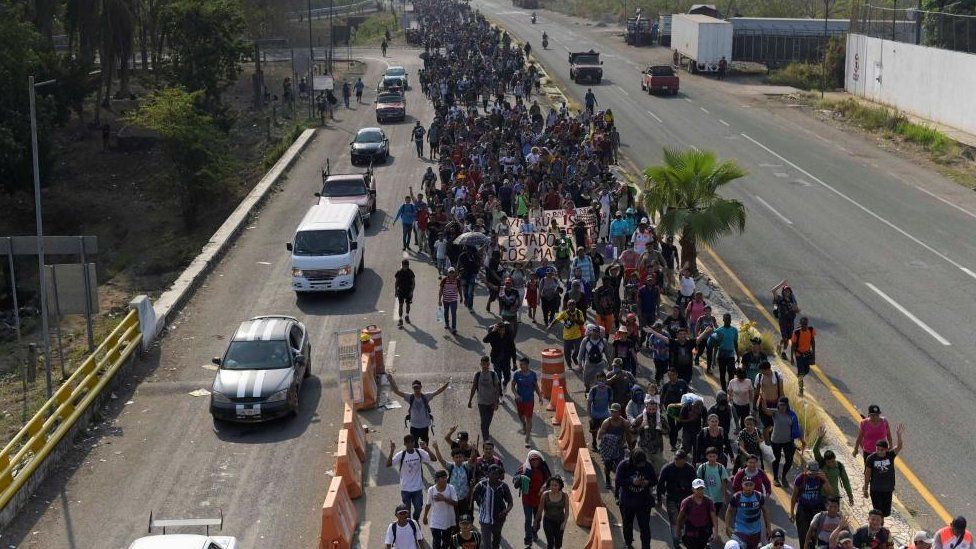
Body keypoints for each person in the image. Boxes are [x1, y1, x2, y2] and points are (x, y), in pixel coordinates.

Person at [388, 375, 449, 444]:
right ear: (413, 388)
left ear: (421, 387)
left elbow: (438, 391)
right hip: (414, 427)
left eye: (418, 388)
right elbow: (397, 391)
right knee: (414, 447)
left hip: (424, 427)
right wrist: (391, 380)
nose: (417, 390)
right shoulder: (410, 397)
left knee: (425, 446)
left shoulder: (426, 397)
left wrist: (447, 384)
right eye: (415, 388)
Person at [615, 448, 657, 549]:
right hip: (627, 502)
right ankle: (628, 543)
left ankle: (646, 546)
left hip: (643, 503)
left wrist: (647, 482)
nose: (640, 466)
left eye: (642, 464)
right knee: (627, 525)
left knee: (645, 527)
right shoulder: (624, 465)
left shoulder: (648, 465)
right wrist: (632, 482)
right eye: (638, 464)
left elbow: (655, 480)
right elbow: (618, 480)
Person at [387, 435, 433, 520]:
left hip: (418, 488)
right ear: (405, 444)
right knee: (407, 511)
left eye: (412, 442)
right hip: (405, 489)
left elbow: (434, 459)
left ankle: (415, 520)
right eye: (408, 442)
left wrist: (426, 448)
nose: (411, 444)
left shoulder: (419, 452)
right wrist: (392, 450)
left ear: (414, 442)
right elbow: (388, 464)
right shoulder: (401, 455)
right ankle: (410, 524)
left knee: (418, 508)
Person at [863, 423, 905, 517]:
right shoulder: (871, 458)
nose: (879, 451)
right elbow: (867, 474)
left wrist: (899, 435)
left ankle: (880, 525)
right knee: (878, 513)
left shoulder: (890, 455)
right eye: (877, 449)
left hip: (888, 489)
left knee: (885, 513)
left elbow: (899, 447)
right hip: (876, 489)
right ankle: (879, 528)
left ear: (886, 450)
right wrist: (865, 488)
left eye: (882, 450)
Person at [658, 451, 697, 547]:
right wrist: (659, 498)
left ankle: (684, 538)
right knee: (674, 522)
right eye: (676, 459)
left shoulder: (690, 469)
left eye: (680, 460)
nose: (678, 461)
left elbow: (695, 485)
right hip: (672, 499)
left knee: (686, 521)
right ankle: (676, 542)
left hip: (686, 500)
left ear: (684, 460)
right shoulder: (667, 468)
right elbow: (660, 483)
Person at [514, 450, 552, 547]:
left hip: (539, 499)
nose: (534, 462)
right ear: (529, 461)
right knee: (528, 519)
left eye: (536, 460)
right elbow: (515, 479)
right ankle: (528, 539)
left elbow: (549, 480)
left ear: (540, 460)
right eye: (532, 460)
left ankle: (534, 532)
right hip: (527, 499)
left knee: (537, 518)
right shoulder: (524, 468)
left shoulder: (543, 469)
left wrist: (544, 486)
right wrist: (520, 478)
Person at [471, 464, 513, 549]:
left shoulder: (503, 486)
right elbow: (473, 496)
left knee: (496, 542)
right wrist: (479, 501)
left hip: (499, 520)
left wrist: (505, 511)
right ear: (488, 473)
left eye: (497, 473)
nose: (494, 475)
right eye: (492, 473)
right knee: (487, 545)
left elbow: (510, 503)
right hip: (484, 520)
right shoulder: (482, 485)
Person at [791, 460, 832, 546]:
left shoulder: (820, 478)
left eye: (815, 473)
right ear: (806, 470)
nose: (813, 475)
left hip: (817, 509)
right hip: (803, 510)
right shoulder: (800, 479)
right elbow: (794, 497)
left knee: (817, 535)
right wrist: (792, 513)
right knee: (803, 536)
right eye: (811, 473)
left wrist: (826, 480)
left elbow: (829, 492)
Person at [431, 442, 475, 518]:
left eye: (460, 457)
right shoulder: (451, 466)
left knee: (465, 519)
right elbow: (441, 460)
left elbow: (472, 459)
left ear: (463, 457)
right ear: (453, 458)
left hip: (464, 499)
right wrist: (436, 448)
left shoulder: (466, 466)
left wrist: (473, 450)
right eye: (456, 457)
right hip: (452, 500)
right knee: (453, 519)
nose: (458, 459)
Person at [813, 425, 855, 506]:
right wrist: (820, 438)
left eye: (833, 461)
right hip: (822, 495)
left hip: (834, 496)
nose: (831, 464)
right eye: (829, 462)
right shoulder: (821, 462)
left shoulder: (839, 466)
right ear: (825, 461)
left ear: (835, 458)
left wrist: (850, 495)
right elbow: (815, 450)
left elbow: (845, 481)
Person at [768, 396, 804, 487]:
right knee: (777, 459)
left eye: (784, 405)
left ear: (787, 405)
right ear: (778, 405)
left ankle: (783, 477)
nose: (782, 407)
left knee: (789, 460)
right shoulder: (774, 412)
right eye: (780, 405)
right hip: (775, 441)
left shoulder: (792, 415)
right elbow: (764, 409)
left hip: (788, 441)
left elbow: (796, 429)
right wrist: (762, 398)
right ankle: (775, 478)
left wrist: (802, 441)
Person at [726, 477, 770, 549]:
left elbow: (765, 512)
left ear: (754, 485)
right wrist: (727, 526)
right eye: (746, 484)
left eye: (751, 484)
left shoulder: (759, 496)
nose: (749, 487)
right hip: (740, 531)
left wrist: (768, 528)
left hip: (755, 532)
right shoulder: (736, 497)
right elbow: (729, 511)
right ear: (742, 485)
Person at [677, 478, 719, 549]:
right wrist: (678, 530)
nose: (700, 491)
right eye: (698, 489)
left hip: (703, 531)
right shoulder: (686, 502)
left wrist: (715, 532)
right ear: (693, 489)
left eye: (702, 488)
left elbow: (713, 517)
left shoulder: (708, 501)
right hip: (690, 531)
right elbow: (680, 517)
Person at [512, 357, 545, 447]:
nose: (521, 366)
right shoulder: (517, 374)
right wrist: (516, 395)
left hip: (529, 401)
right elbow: (512, 386)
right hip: (519, 401)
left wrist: (540, 397)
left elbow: (536, 386)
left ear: (527, 365)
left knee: (529, 419)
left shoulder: (533, 375)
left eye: (522, 365)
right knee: (521, 416)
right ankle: (523, 424)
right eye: (520, 365)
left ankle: (527, 439)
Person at [597, 403, 632, 489]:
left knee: (620, 466)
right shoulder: (606, 423)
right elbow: (599, 436)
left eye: (616, 412)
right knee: (607, 465)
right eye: (612, 412)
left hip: (620, 447)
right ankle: (608, 479)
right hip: (608, 448)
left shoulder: (624, 423)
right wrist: (611, 438)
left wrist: (631, 447)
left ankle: (619, 484)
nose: (614, 413)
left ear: (620, 412)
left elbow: (628, 435)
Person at [467, 356, 502, 440]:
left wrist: (496, 402)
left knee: (488, 421)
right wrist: (470, 400)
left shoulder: (493, 374)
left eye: (486, 364)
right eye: (482, 364)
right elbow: (474, 387)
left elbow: (497, 389)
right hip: (481, 402)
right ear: (481, 364)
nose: (484, 366)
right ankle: (486, 439)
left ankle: (486, 431)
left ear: (488, 364)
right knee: (484, 422)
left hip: (491, 402)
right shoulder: (478, 375)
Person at [423, 469, 458, 549]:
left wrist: (444, 499)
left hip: (448, 520)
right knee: (436, 542)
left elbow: (456, 503)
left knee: (446, 542)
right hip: (435, 521)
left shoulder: (451, 488)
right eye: (442, 477)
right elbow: (428, 504)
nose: (445, 479)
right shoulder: (431, 490)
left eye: (445, 477)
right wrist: (425, 516)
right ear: (436, 479)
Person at [535, 476, 569, 549]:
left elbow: (567, 511)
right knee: (550, 543)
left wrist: (564, 522)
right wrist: (536, 521)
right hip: (548, 521)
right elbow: (540, 510)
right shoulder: (545, 495)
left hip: (560, 522)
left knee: (558, 544)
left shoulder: (565, 495)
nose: (553, 487)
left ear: (560, 486)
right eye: (551, 485)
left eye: (555, 485)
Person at [660, 367, 690, 452]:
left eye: (673, 375)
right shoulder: (666, 386)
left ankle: (675, 434)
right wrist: (661, 406)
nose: (671, 377)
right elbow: (662, 397)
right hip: (670, 410)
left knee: (678, 426)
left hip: (681, 409)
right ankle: (673, 444)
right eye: (669, 375)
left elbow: (686, 394)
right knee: (672, 427)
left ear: (677, 374)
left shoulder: (682, 383)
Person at [695, 447, 730, 515]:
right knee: (705, 515)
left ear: (717, 456)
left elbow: (724, 482)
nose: (712, 458)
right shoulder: (702, 467)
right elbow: (698, 482)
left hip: (718, 498)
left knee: (714, 515)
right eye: (710, 456)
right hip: (705, 497)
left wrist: (724, 496)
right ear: (706, 456)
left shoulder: (721, 467)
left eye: (714, 456)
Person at [577, 324, 610, 392]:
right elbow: (580, 353)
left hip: (599, 365)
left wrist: (610, 364)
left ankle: (595, 394)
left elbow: (607, 354)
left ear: (599, 333)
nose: (595, 333)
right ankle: (587, 389)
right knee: (586, 380)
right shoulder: (585, 340)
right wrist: (580, 364)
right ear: (591, 332)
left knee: (598, 382)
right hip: (588, 365)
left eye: (597, 332)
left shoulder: (603, 341)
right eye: (594, 331)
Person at [483, 322, 516, 388]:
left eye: (503, 330)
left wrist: (514, 362)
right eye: (500, 330)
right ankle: (499, 391)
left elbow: (513, 349)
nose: (502, 332)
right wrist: (492, 331)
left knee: (507, 377)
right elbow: (485, 340)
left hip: (506, 360)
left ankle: (504, 383)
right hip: (496, 359)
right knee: (498, 377)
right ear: (497, 330)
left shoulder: (508, 336)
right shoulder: (493, 335)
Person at [771, 280, 798, 360]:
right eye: (785, 291)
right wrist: (781, 284)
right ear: (783, 292)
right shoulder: (780, 299)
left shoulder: (792, 301)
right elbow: (773, 291)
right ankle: (784, 352)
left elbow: (796, 310)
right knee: (785, 337)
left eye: (788, 291)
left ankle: (780, 345)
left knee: (788, 338)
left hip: (790, 321)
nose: (787, 292)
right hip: (783, 322)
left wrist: (795, 308)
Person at [790, 316, 816, 395]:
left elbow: (813, 341)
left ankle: (799, 377)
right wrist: (792, 358)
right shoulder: (796, 333)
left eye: (805, 324)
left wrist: (813, 353)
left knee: (807, 370)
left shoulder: (811, 330)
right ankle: (801, 389)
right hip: (799, 355)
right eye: (803, 324)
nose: (804, 326)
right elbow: (793, 346)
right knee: (801, 373)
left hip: (807, 354)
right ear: (800, 324)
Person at [713, 313, 740, 388]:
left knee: (731, 373)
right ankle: (724, 389)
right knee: (722, 373)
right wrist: (714, 358)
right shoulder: (718, 331)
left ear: (731, 320)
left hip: (731, 354)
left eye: (729, 319)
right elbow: (715, 345)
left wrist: (738, 355)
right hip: (721, 354)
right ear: (723, 320)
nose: (728, 320)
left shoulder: (734, 330)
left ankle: (729, 388)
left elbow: (735, 343)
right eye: (726, 319)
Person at [439, 267, 461, 334]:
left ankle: (454, 328)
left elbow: (460, 289)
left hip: (453, 299)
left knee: (453, 313)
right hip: (445, 299)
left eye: (452, 272)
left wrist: (461, 297)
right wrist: (439, 300)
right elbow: (441, 290)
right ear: (448, 273)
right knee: (446, 312)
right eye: (450, 272)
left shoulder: (457, 280)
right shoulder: (444, 280)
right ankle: (447, 323)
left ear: (454, 273)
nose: (451, 274)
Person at [395, 259, 416, 328]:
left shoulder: (410, 272)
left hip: (408, 291)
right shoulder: (399, 272)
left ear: (408, 266)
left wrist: (412, 292)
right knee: (401, 305)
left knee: (408, 304)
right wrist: (395, 291)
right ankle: (400, 319)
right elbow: (396, 282)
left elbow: (413, 283)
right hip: (401, 291)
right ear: (402, 265)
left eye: (406, 266)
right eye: (404, 266)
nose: (405, 267)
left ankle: (407, 316)